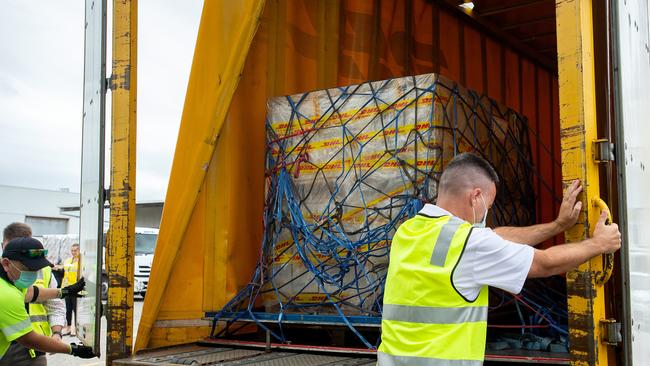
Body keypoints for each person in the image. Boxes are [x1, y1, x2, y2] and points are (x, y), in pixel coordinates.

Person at [377, 153, 621, 365]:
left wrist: (558, 226)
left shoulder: (408, 231)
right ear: (475, 196)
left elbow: (494, 237)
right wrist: (598, 244)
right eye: (488, 205)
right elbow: (544, 263)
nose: (487, 212)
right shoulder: (469, 243)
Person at [0, 224, 84, 366]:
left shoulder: (10, 280)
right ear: (6, 263)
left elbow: (32, 292)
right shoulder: (6, 294)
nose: (33, 274)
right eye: (28, 268)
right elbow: (28, 339)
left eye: (35, 269)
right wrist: (72, 350)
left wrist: (64, 292)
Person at [61, 244, 80, 336]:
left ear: (79, 251)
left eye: (75, 250)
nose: (73, 252)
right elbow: (65, 273)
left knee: (75, 309)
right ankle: (68, 327)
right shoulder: (68, 260)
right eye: (72, 250)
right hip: (67, 287)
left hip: (76, 289)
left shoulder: (81, 262)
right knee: (68, 309)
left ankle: (75, 328)